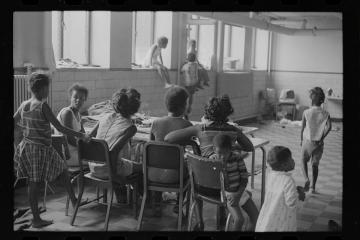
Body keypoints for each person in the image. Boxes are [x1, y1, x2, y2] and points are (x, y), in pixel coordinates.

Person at [164, 94, 254, 230]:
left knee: (196, 175)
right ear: (228, 112)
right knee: (225, 172)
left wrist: (192, 141)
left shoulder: (201, 129)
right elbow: (249, 147)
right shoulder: (234, 131)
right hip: (229, 189)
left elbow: (168, 138)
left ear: (207, 113)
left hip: (203, 188)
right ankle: (230, 218)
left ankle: (200, 222)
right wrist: (232, 147)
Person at [13, 72, 91, 228]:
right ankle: (36, 219)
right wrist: (81, 135)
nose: (48, 91)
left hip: (29, 147)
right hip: (38, 150)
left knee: (62, 170)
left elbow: (14, 122)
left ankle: (74, 201)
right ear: (42, 89)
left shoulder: (24, 104)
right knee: (34, 184)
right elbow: (60, 128)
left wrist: (22, 134)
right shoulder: (43, 106)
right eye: (47, 88)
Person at [88, 88, 141, 203]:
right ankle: (145, 201)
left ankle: (123, 195)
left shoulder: (104, 117)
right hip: (107, 171)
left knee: (122, 162)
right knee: (142, 168)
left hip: (92, 167)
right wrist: (114, 177)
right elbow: (113, 152)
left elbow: (88, 138)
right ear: (134, 108)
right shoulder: (130, 127)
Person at [149, 86, 193, 216]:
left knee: (159, 161)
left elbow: (151, 148)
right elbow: (191, 147)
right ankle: (179, 204)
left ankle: (157, 203)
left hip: (152, 174)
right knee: (190, 168)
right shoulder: (186, 125)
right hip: (175, 176)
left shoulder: (155, 123)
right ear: (184, 105)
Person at [211, 133, 259, 231]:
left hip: (240, 192)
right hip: (227, 195)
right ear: (214, 150)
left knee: (256, 217)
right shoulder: (212, 160)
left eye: (225, 153)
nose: (222, 157)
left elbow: (244, 178)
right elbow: (214, 181)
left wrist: (238, 194)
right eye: (219, 153)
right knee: (239, 220)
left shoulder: (237, 158)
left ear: (230, 150)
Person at [255, 146, 305, 231]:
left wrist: (294, 189)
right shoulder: (288, 180)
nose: (293, 160)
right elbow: (292, 203)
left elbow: (278, 190)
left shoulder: (271, 175)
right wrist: (300, 195)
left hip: (269, 215)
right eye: (291, 159)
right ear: (284, 165)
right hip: (282, 220)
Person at [300, 87, 332, 194]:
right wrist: (322, 137)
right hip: (319, 143)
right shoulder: (326, 113)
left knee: (303, 160)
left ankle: (306, 179)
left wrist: (301, 140)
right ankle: (313, 187)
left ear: (311, 100)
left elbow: (302, 127)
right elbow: (329, 127)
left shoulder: (306, 112)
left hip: (307, 141)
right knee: (315, 165)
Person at [54, 83, 88, 167]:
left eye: (81, 98)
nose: (78, 100)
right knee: (97, 160)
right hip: (68, 155)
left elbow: (83, 134)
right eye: (75, 97)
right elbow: (69, 138)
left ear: (85, 99)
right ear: (70, 98)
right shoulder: (67, 113)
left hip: (75, 151)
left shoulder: (78, 114)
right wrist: (85, 149)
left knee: (98, 156)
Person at [180, 52, 199, 119]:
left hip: (187, 84)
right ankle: (189, 107)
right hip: (194, 83)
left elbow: (181, 71)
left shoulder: (186, 66)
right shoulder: (196, 65)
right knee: (191, 96)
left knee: (185, 98)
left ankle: (185, 112)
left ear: (187, 59)